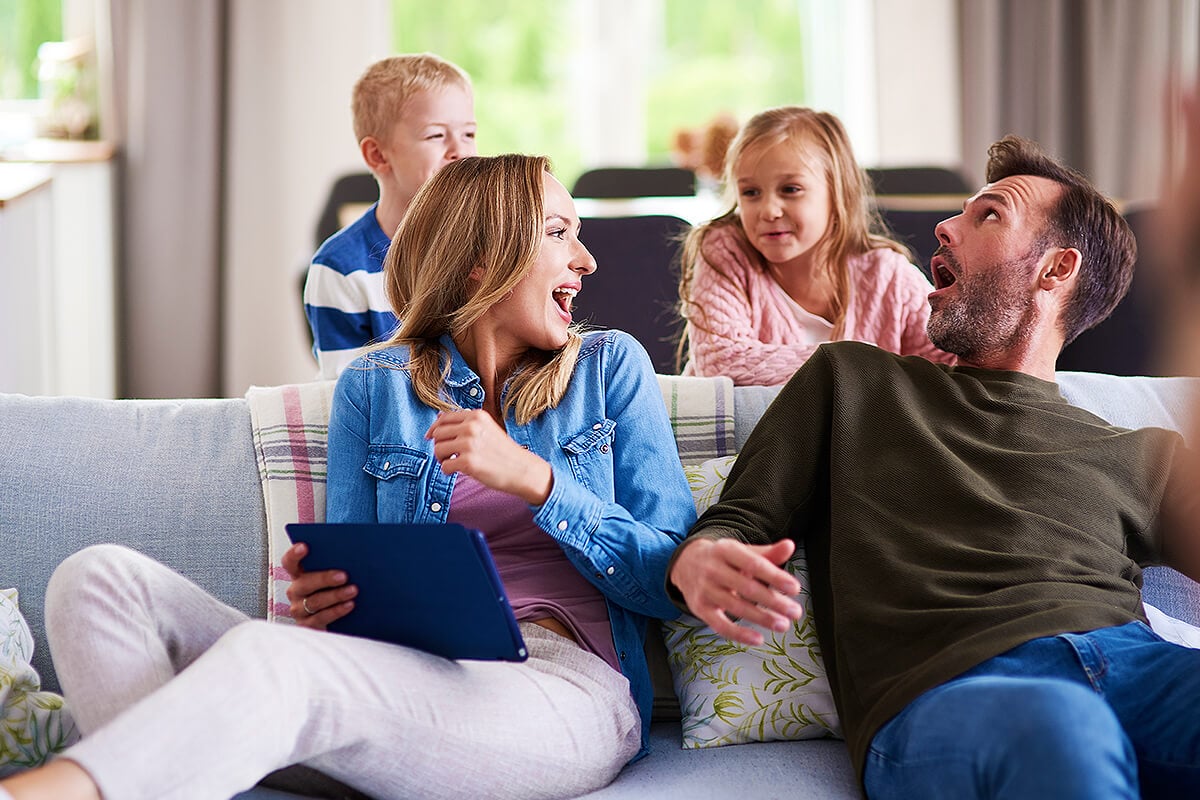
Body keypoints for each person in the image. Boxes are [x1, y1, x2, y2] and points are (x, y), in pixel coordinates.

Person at [2, 155, 696, 800]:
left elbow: (668, 583)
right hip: (393, 681)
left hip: (560, 689)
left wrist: (541, 483)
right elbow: (356, 590)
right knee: (95, 581)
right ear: (484, 257)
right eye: (559, 232)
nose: (587, 258)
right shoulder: (377, 384)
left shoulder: (609, 368)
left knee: (274, 658)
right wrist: (327, 602)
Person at [667, 134, 1200, 799]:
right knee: (1060, 725)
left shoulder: (1141, 452)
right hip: (953, 693)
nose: (944, 227)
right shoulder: (852, 380)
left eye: (990, 215)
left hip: (1139, 666)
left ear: (1055, 270)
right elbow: (738, 519)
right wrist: (697, 562)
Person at [676, 106, 952, 385]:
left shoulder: (887, 275)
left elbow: (952, 365)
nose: (768, 210)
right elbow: (720, 362)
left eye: (790, 189)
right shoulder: (725, 251)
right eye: (750, 192)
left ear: (838, 193)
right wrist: (866, 366)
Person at [303, 53, 477, 380]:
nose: (460, 150)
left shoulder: (487, 247)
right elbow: (349, 398)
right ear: (378, 155)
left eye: (468, 134)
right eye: (436, 135)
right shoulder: (340, 268)